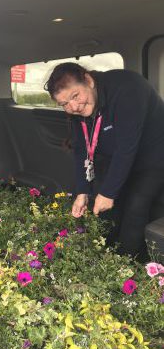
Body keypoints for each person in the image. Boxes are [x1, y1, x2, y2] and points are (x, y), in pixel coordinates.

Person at [45, 62, 164, 261]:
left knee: (135, 206)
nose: (74, 107)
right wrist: (83, 190)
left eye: (75, 96)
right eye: (64, 104)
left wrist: (108, 192)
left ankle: (128, 263)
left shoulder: (128, 88)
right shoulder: (79, 110)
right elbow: (81, 149)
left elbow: (127, 148)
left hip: (152, 157)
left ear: (89, 81)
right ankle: (105, 255)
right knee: (105, 209)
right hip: (117, 157)